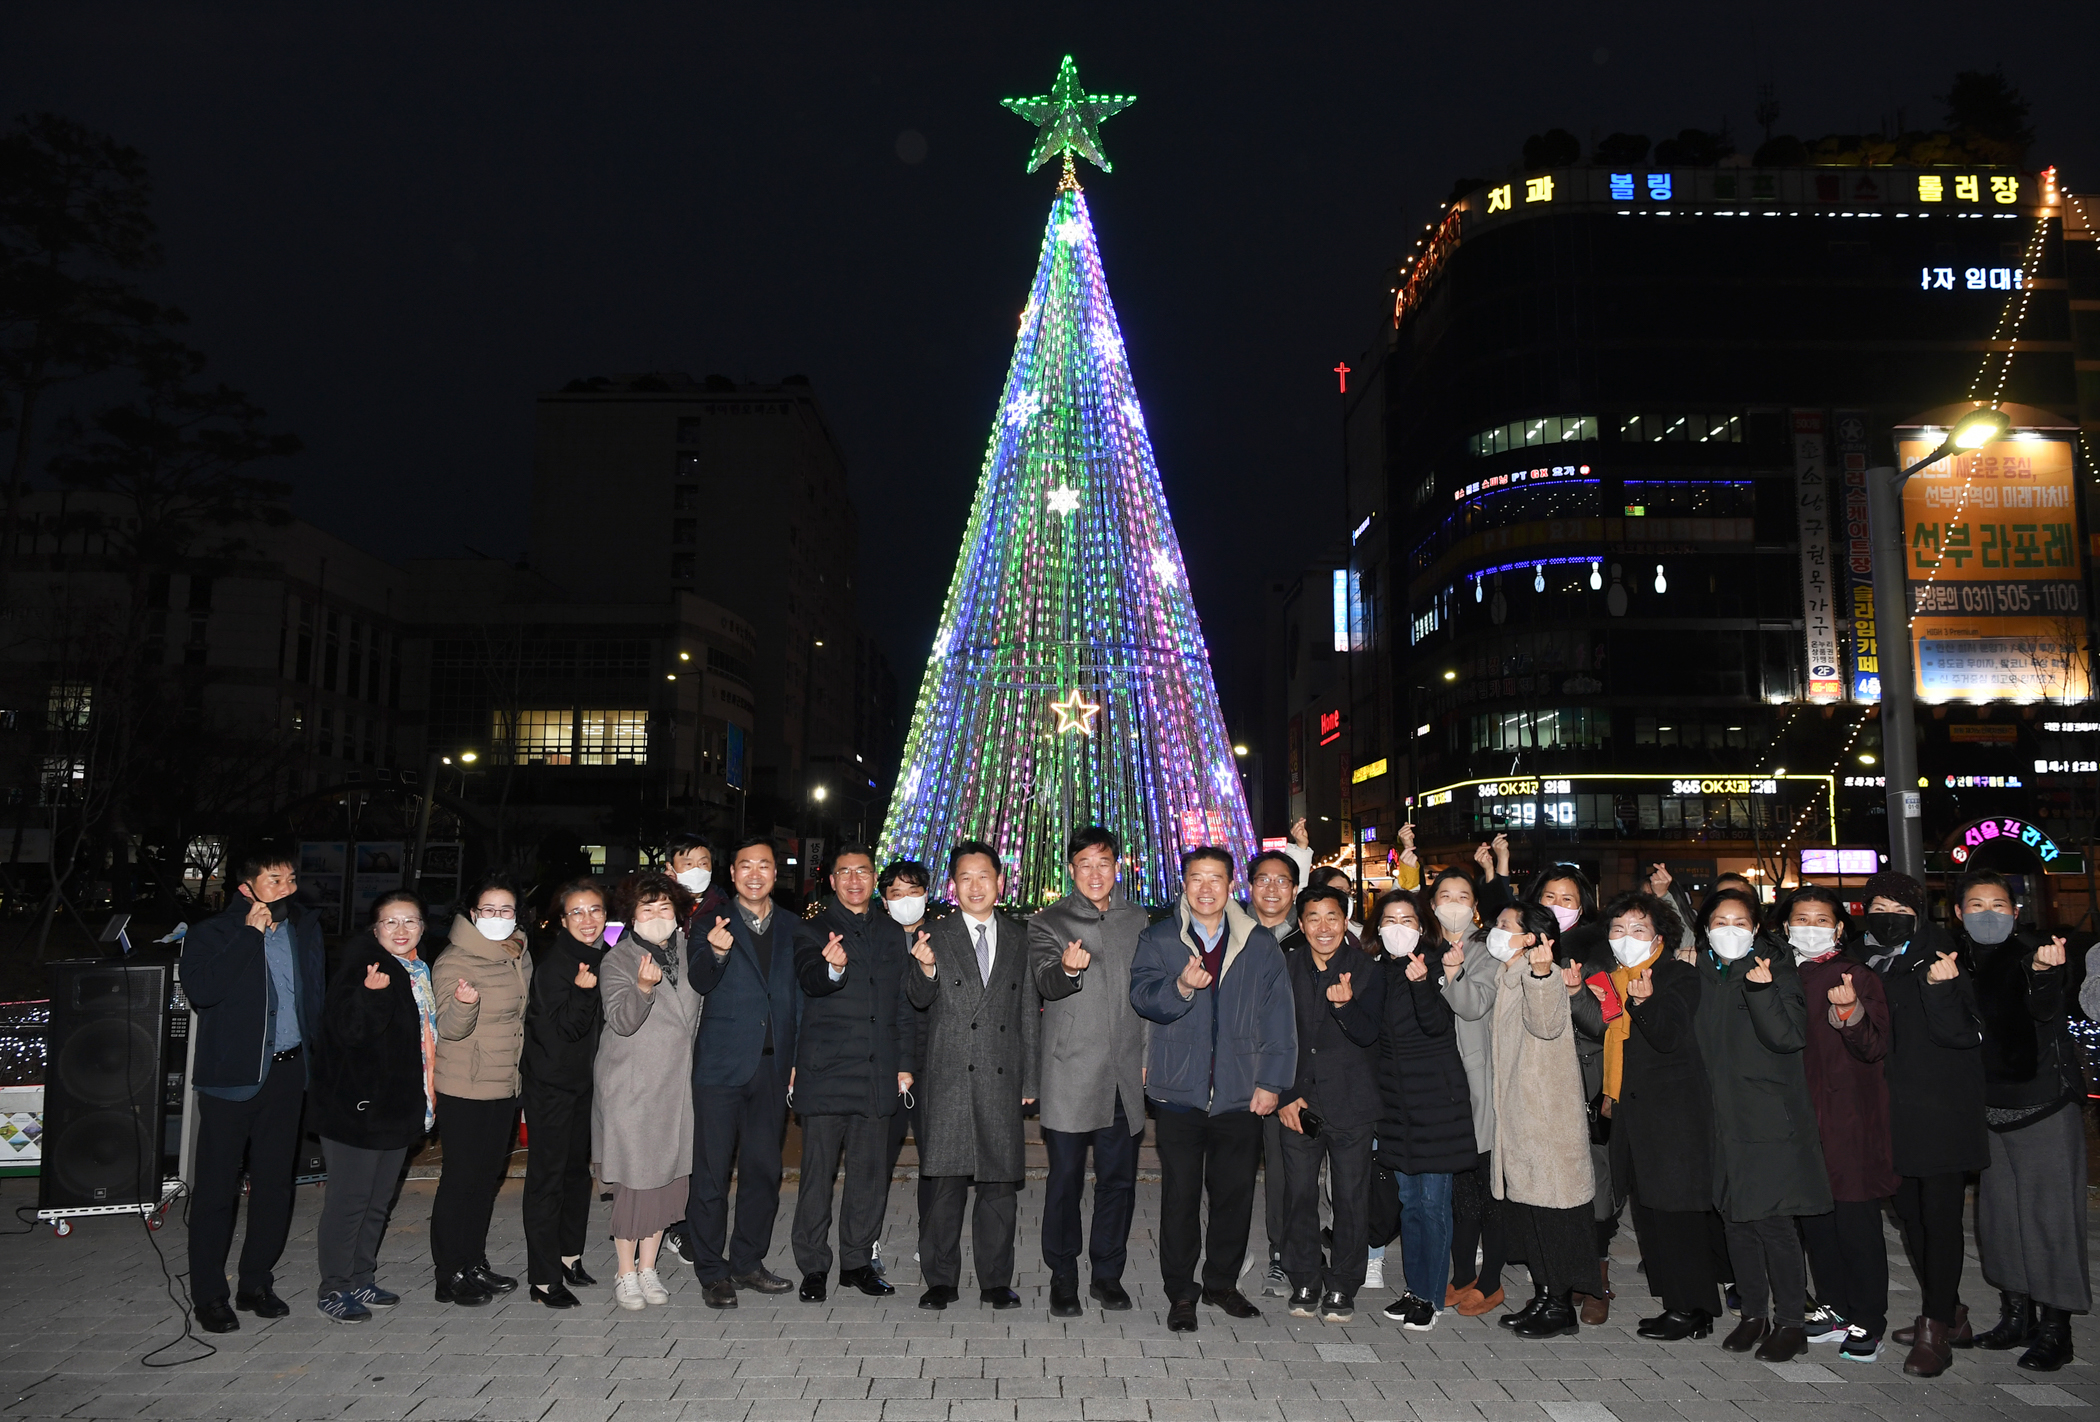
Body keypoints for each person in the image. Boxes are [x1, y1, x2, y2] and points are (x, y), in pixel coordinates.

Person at [1130, 846, 1295, 1333]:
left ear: (1230, 887)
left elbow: (1279, 1019)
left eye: (1216, 879)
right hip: (1178, 1091)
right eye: (1196, 878)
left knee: (1234, 1194)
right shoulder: (1160, 939)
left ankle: (1222, 1282)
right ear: (1184, 883)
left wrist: (1271, 1083)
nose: (1206, 888)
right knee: (1180, 1196)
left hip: (1240, 1093)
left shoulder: (1259, 943)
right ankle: (1181, 1292)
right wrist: (1180, 987)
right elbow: (1142, 996)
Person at [179, 841, 326, 1333]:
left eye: (290, 879)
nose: (288, 889)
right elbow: (203, 991)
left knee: (273, 1186)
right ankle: (208, 1294)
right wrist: (248, 936)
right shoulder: (210, 933)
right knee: (217, 1191)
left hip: (287, 1074)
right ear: (245, 888)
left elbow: (313, 998)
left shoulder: (304, 928)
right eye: (275, 881)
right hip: (230, 1079)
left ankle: (255, 1282)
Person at [1956, 869, 2085, 1373]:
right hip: (1986, 1111)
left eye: (1998, 904)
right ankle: (2017, 1315)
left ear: (2015, 911)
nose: (1987, 913)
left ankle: (2058, 1328)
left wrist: (2048, 972)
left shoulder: (2034, 953)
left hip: (2042, 1106)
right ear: (1960, 913)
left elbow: (2046, 1006)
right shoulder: (1955, 961)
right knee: (2000, 1220)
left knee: (2051, 1220)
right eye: (1975, 904)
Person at [1694, 885, 1830, 1362]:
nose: (1728, 931)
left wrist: (1760, 990)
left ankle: (1791, 1320)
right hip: (1719, 1117)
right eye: (1718, 923)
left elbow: (1788, 1036)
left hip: (1767, 1116)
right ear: (1705, 929)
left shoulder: (1776, 968)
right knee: (1735, 1219)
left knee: (1774, 1222)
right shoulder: (1703, 974)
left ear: (1755, 929)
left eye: (1738, 923)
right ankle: (1754, 1312)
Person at [906, 840, 1040, 1310]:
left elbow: (1027, 1012)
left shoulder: (1020, 936)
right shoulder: (935, 936)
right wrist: (924, 971)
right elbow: (918, 1000)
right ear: (953, 886)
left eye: (984, 875)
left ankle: (995, 1281)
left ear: (1000, 883)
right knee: (944, 1186)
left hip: (1001, 1076)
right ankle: (939, 1279)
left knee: (999, 1187)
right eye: (965, 877)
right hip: (947, 1075)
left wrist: (1030, 1081)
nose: (976, 885)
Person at [1860, 871, 1986, 1372]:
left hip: (1940, 1112)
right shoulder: (1862, 958)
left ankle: (1936, 1328)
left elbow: (1963, 1036)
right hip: (1889, 1111)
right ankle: (1949, 1308)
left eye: (1899, 909)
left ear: (1918, 912)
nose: (1888, 918)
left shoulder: (1942, 958)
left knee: (1940, 1217)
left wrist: (1942, 990)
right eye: (1878, 907)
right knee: (1909, 1213)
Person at [1458, 900, 1597, 1339]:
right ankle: (1544, 1296)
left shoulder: (1543, 976)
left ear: (1533, 939)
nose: (1496, 931)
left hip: (1545, 1117)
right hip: (1522, 1115)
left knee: (1553, 1214)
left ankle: (1558, 1305)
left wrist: (1541, 975)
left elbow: (1547, 1025)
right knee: (1534, 1215)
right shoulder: (1509, 974)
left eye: (1505, 925)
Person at [1029, 827, 1151, 1317]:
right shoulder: (1049, 921)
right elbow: (1045, 980)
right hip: (1070, 1074)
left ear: (1116, 867)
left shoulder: (1138, 919)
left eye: (1104, 863)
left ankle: (1107, 1274)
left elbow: (1147, 995)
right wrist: (1068, 970)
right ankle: (1062, 1275)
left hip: (1125, 1073)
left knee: (1118, 1180)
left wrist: (1146, 1056)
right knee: (1064, 1180)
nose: (1095, 873)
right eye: (1084, 863)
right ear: (1072, 869)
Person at [790, 846, 916, 1302]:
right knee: (817, 1174)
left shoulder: (890, 931)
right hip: (826, 1072)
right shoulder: (811, 928)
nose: (854, 880)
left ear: (873, 878)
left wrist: (904, 1063)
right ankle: (812, 1265)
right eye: (845, 872)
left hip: (877, 1071)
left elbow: (903, 1003)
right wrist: (831, 967)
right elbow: (808, 977)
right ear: (833, 881)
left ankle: (857, 1261)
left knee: (868, 1173)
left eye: (863, 872)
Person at [1601, 890, 1725, 1341]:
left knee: (1678, 1216)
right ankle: (1674, 1301)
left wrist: (1646, 1000)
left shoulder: (1677, 975)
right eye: (1618, 929)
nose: (1626, 938)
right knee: (1650, 1213)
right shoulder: (1612, 980)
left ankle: (1695, 1308)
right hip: (1633, 1115)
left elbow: (1670, 1034)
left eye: (1638, 929)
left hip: (1673, 1118)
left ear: (1659, 937)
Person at [684, 836, 802, 1307]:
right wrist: (714, 952)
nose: (755, 873)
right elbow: (699, 980)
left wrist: (797, 1061)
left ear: (776, 874)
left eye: (765, 866)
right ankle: (713, 1271)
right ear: (731, 874)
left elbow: (799, 998)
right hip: (720, 1067)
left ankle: (748, 1262)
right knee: (711, 1174)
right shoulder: (709, 923)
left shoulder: (794, 927)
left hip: (773, 1069)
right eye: (745, 865)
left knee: (762, 1170)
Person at [1781, 885, 1895, 1361]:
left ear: (1840, 927)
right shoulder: (1780, 973)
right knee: (1816, 1221)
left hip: (1849, 1118)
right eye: (1801, 919)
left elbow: (1875, 1046)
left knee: (1855, 1220)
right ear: (1785, 928)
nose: (1810, 928)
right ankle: (1834, 1307)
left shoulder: (1857, 975)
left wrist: (1849, 1012)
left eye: (1821, 920)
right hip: (1799, 1117)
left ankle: (1869, 1316)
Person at [311, 888, 433, 1322]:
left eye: (411, 921)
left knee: (379, 1200)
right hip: (355, 1107)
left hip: (395, 1104)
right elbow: (349, 1032)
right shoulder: (364, 966)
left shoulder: (416, 970)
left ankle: (361, 1277)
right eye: (391, 922)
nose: (402, 930)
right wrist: (370, 993)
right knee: (350, 1200)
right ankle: (334, 1286)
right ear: (375, 927)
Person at [1276, 883, 1385, 1324]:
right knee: (1298, 1194)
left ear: (1347, 920)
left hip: (1353, 1103)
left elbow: (1369, 1033)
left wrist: (1344, 1008)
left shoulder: (1368, 970)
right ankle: (1304, 1275)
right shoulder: (1283, 968)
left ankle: (1343, 1284)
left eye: (1332, 917)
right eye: (1314, 918)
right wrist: (1284, 1094)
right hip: (1298, 1102)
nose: (1324, 928)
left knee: (1351, 1197)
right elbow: (1272, 1037)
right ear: (1300, 925)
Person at [595, 872, 703, 1310]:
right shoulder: (618, 959)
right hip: (632, 1086)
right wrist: (642, 988)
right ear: (631, 916)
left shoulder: (690, 952)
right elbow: (620, 1020)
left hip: (676, 1085)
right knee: (635, 1183)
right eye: (646, 909)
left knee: (666, 1182)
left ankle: (649, 1266)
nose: (656, 916)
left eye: (664, 909)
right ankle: (624, 1273)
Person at [1368, 889, 1473, 1328]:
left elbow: (1435, 1025)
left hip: (1435, 1101)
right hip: (1397, 1104)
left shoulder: (1432, 964)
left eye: (1407, 920)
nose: (1398, 928)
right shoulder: (1377, 971)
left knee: (1433, 1202)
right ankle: (1414, 1289)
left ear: (1421, 925)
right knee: (1409, 1201)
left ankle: (1431, 1298)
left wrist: (1421, 984)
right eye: (1390, 920)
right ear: (1378, 929)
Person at [430, 875, 533, 1305]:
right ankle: (447, 1273)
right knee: (460, 1179)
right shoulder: (455, 961)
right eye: (488, 910)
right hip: (465, 1085)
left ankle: (473, 1261)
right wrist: (465, 1005)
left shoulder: (517, 953)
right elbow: (448, 1030)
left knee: (485, 1180)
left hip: (504, 1084)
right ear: (472, 914)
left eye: (505, 910)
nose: (497, 917)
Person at [1525, 864, 1617, 1324]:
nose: (1556, 907)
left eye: (1566, 899)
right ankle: (1555, 1278)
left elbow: (1605, 1024)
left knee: (1594, 1186)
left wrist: (1577, 991)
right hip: (1532, 1081)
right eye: (1548, 897)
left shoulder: (1598, 951)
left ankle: (1597, 1279)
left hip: (1583, 1081)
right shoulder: (1516, 942)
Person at [522, 878, 609, 1308]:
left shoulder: (601, 956)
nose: (587, 920)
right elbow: (565, 1031)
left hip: (585, 1087)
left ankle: (569, 1256)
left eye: (595, 910)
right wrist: (582, 993)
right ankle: (541, 1278)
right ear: (562, 920)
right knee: (547, 1179)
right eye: (577, 912)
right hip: (551, 1088)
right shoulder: (558, 965)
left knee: (577, 1175)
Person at [1429, 865, 1506, 1317]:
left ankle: (1491, 1280)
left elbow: (1474, 1006)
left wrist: (1453, 973)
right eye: (1445, 895)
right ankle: (1462, 1275)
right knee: (1458, 1189)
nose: (1453, 903)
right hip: (1439, 1085)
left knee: (1485, 1183)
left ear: (1475, 906)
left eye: (1463, 895)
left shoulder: (1484, 949)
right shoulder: (1424, 944)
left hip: (1476, 1084)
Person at [1245, 847, 1302, 1298]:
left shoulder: (1310, 939)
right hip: (1233, 1076)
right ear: (1249, 887)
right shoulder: (1229, 936)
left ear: (1294, 890)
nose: (1271, 887)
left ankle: (1281, 1257)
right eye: (1263, 879)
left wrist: (1289, 1086)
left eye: (1281, 880)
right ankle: (1230, 1248)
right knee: (1229, 1170)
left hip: (1286, 1079)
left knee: (1284, 1172)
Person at [874, 857, 935, 1275]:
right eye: (896, 894)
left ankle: (932, 1242)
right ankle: (867, 1240)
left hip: (934, 1065)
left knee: (936, 1159)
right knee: (876, 1157)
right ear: (884, 901)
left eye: (914, 891)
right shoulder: (875, 940)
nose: (906, 901)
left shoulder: (945, 937)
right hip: (886, 1065)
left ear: (927, 896)